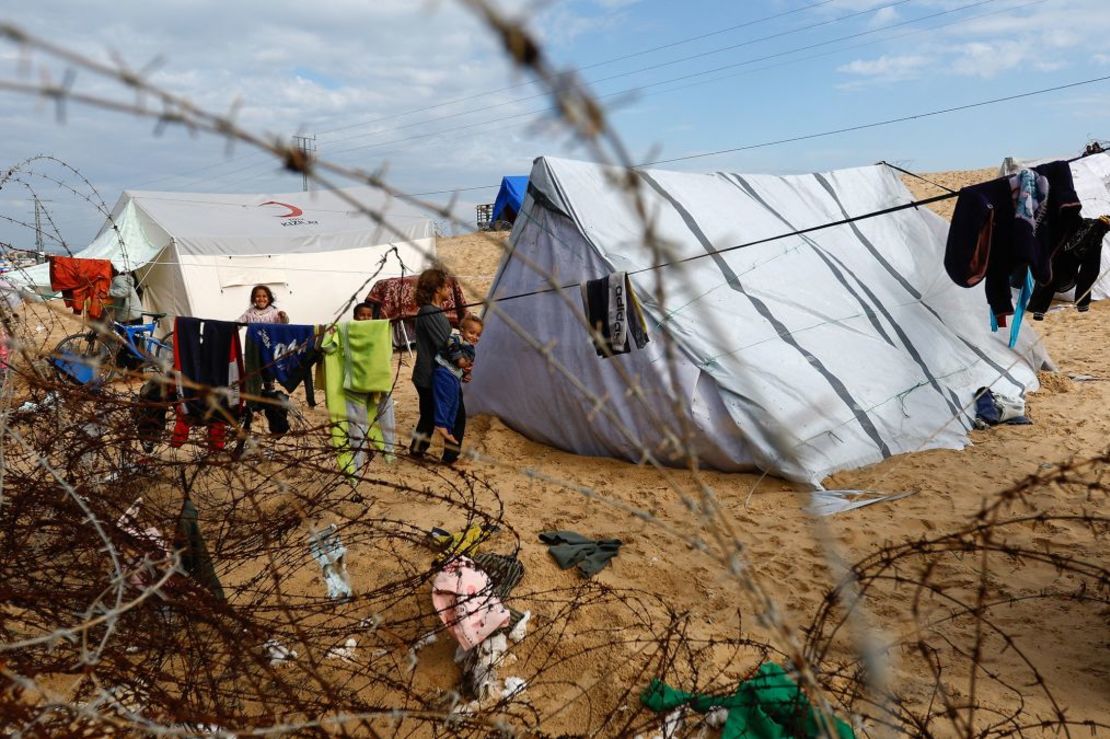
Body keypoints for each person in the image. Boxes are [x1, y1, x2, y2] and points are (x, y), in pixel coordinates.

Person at [410, 268, 459, 461]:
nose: (450, 290)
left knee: (428, 415)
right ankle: (417, 451)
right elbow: (445, 344)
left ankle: (417, 449)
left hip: (431, 373)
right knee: (430, 415)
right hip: (429, 374)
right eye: (447, 286)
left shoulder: (433, 311)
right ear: (437, 289)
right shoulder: (429, 312)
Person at [432, 338, 475, 448]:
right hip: (445, 373)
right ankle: (441, 423)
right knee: (446, 400)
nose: (475, 337)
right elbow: (459, 360)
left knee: (455, 404)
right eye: (471, 332)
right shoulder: (456, 339)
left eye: (478, 335)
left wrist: (466, 373)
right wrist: (462, 360)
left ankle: (448, 428)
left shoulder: (470, 347)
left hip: (455, 376)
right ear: (462, 330)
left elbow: (465, 365)